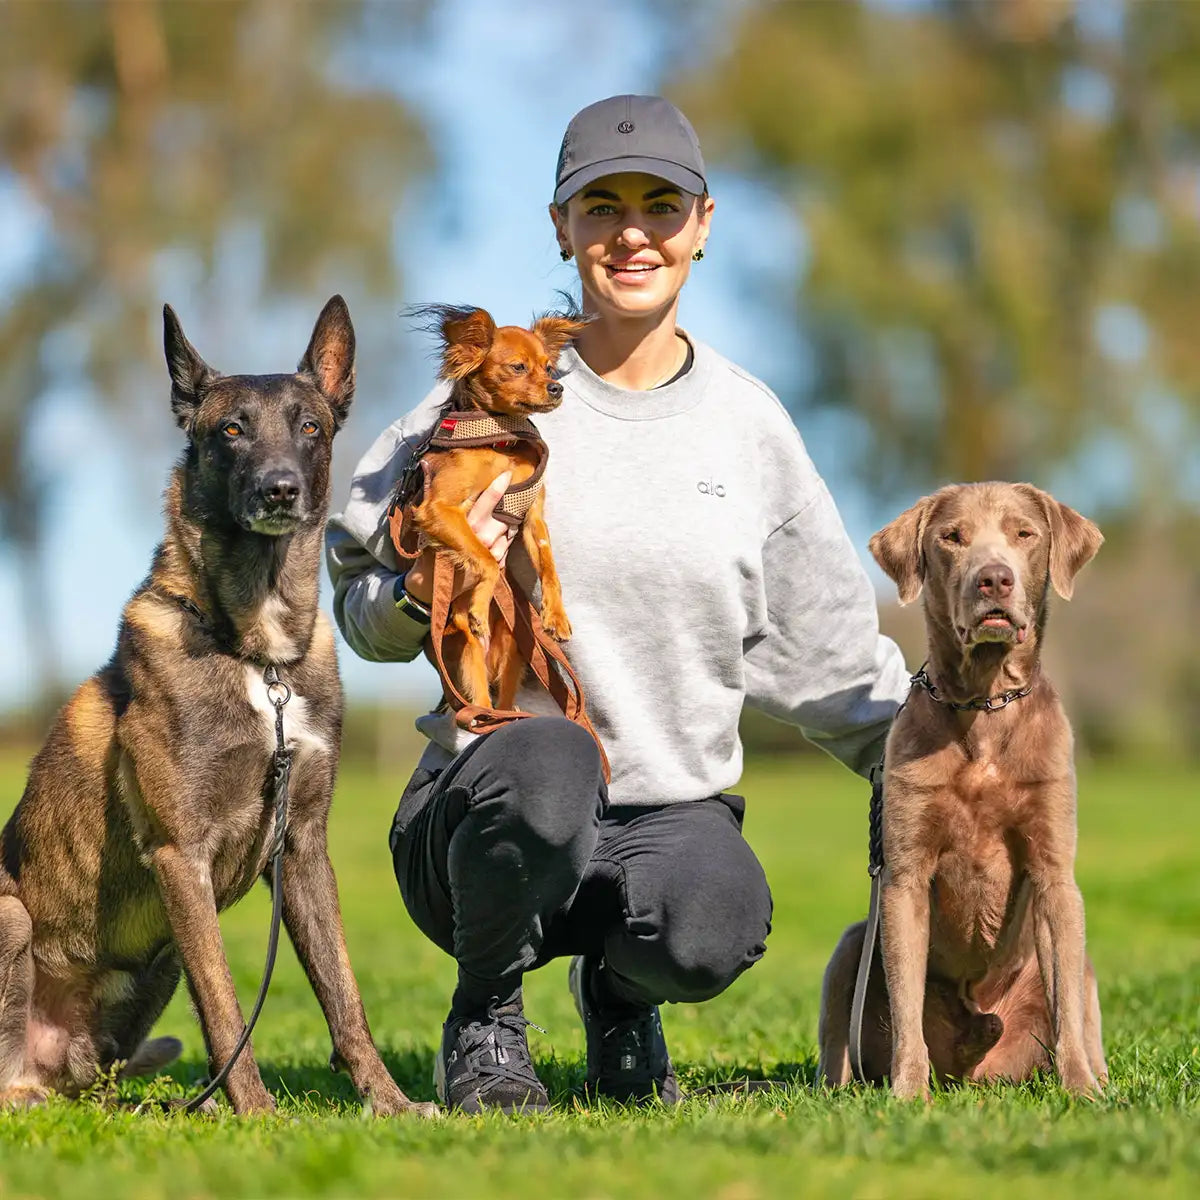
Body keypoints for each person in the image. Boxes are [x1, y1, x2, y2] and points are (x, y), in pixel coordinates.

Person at [325, 94, 909, 1114]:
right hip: (486, 813)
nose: (632, 230)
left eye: (661, 205)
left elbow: (831, 658)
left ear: (704, 225)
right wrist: (422, 592)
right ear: (562, 226)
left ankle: (620, 995)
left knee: (712, 919)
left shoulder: (749, 426)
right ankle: (486, 1017)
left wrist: (952, 750)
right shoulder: (474, 408)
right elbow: (355, 598)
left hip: (661, 814)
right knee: (552, 762)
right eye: (601, 206)